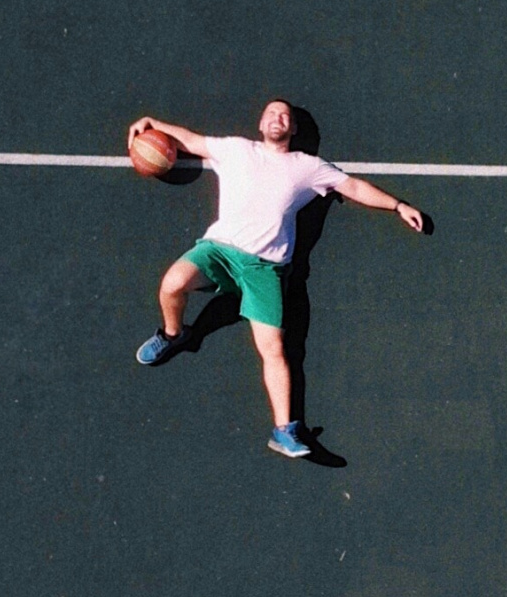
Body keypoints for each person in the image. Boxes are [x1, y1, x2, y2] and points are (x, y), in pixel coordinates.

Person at [129, 100, 426, 458]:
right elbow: (189, 141)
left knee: (275, 350)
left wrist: (398, 205)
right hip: (218, 250)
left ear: (293, 129)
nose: (277, 118)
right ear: (260, 123)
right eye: (271, 113)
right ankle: (174, 335)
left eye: (285, 115)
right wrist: (152, 122)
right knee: (172, 283)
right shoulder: (236, 149)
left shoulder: (308, 167)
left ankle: (285, 431)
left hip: (265, 269)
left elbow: (354, 188)